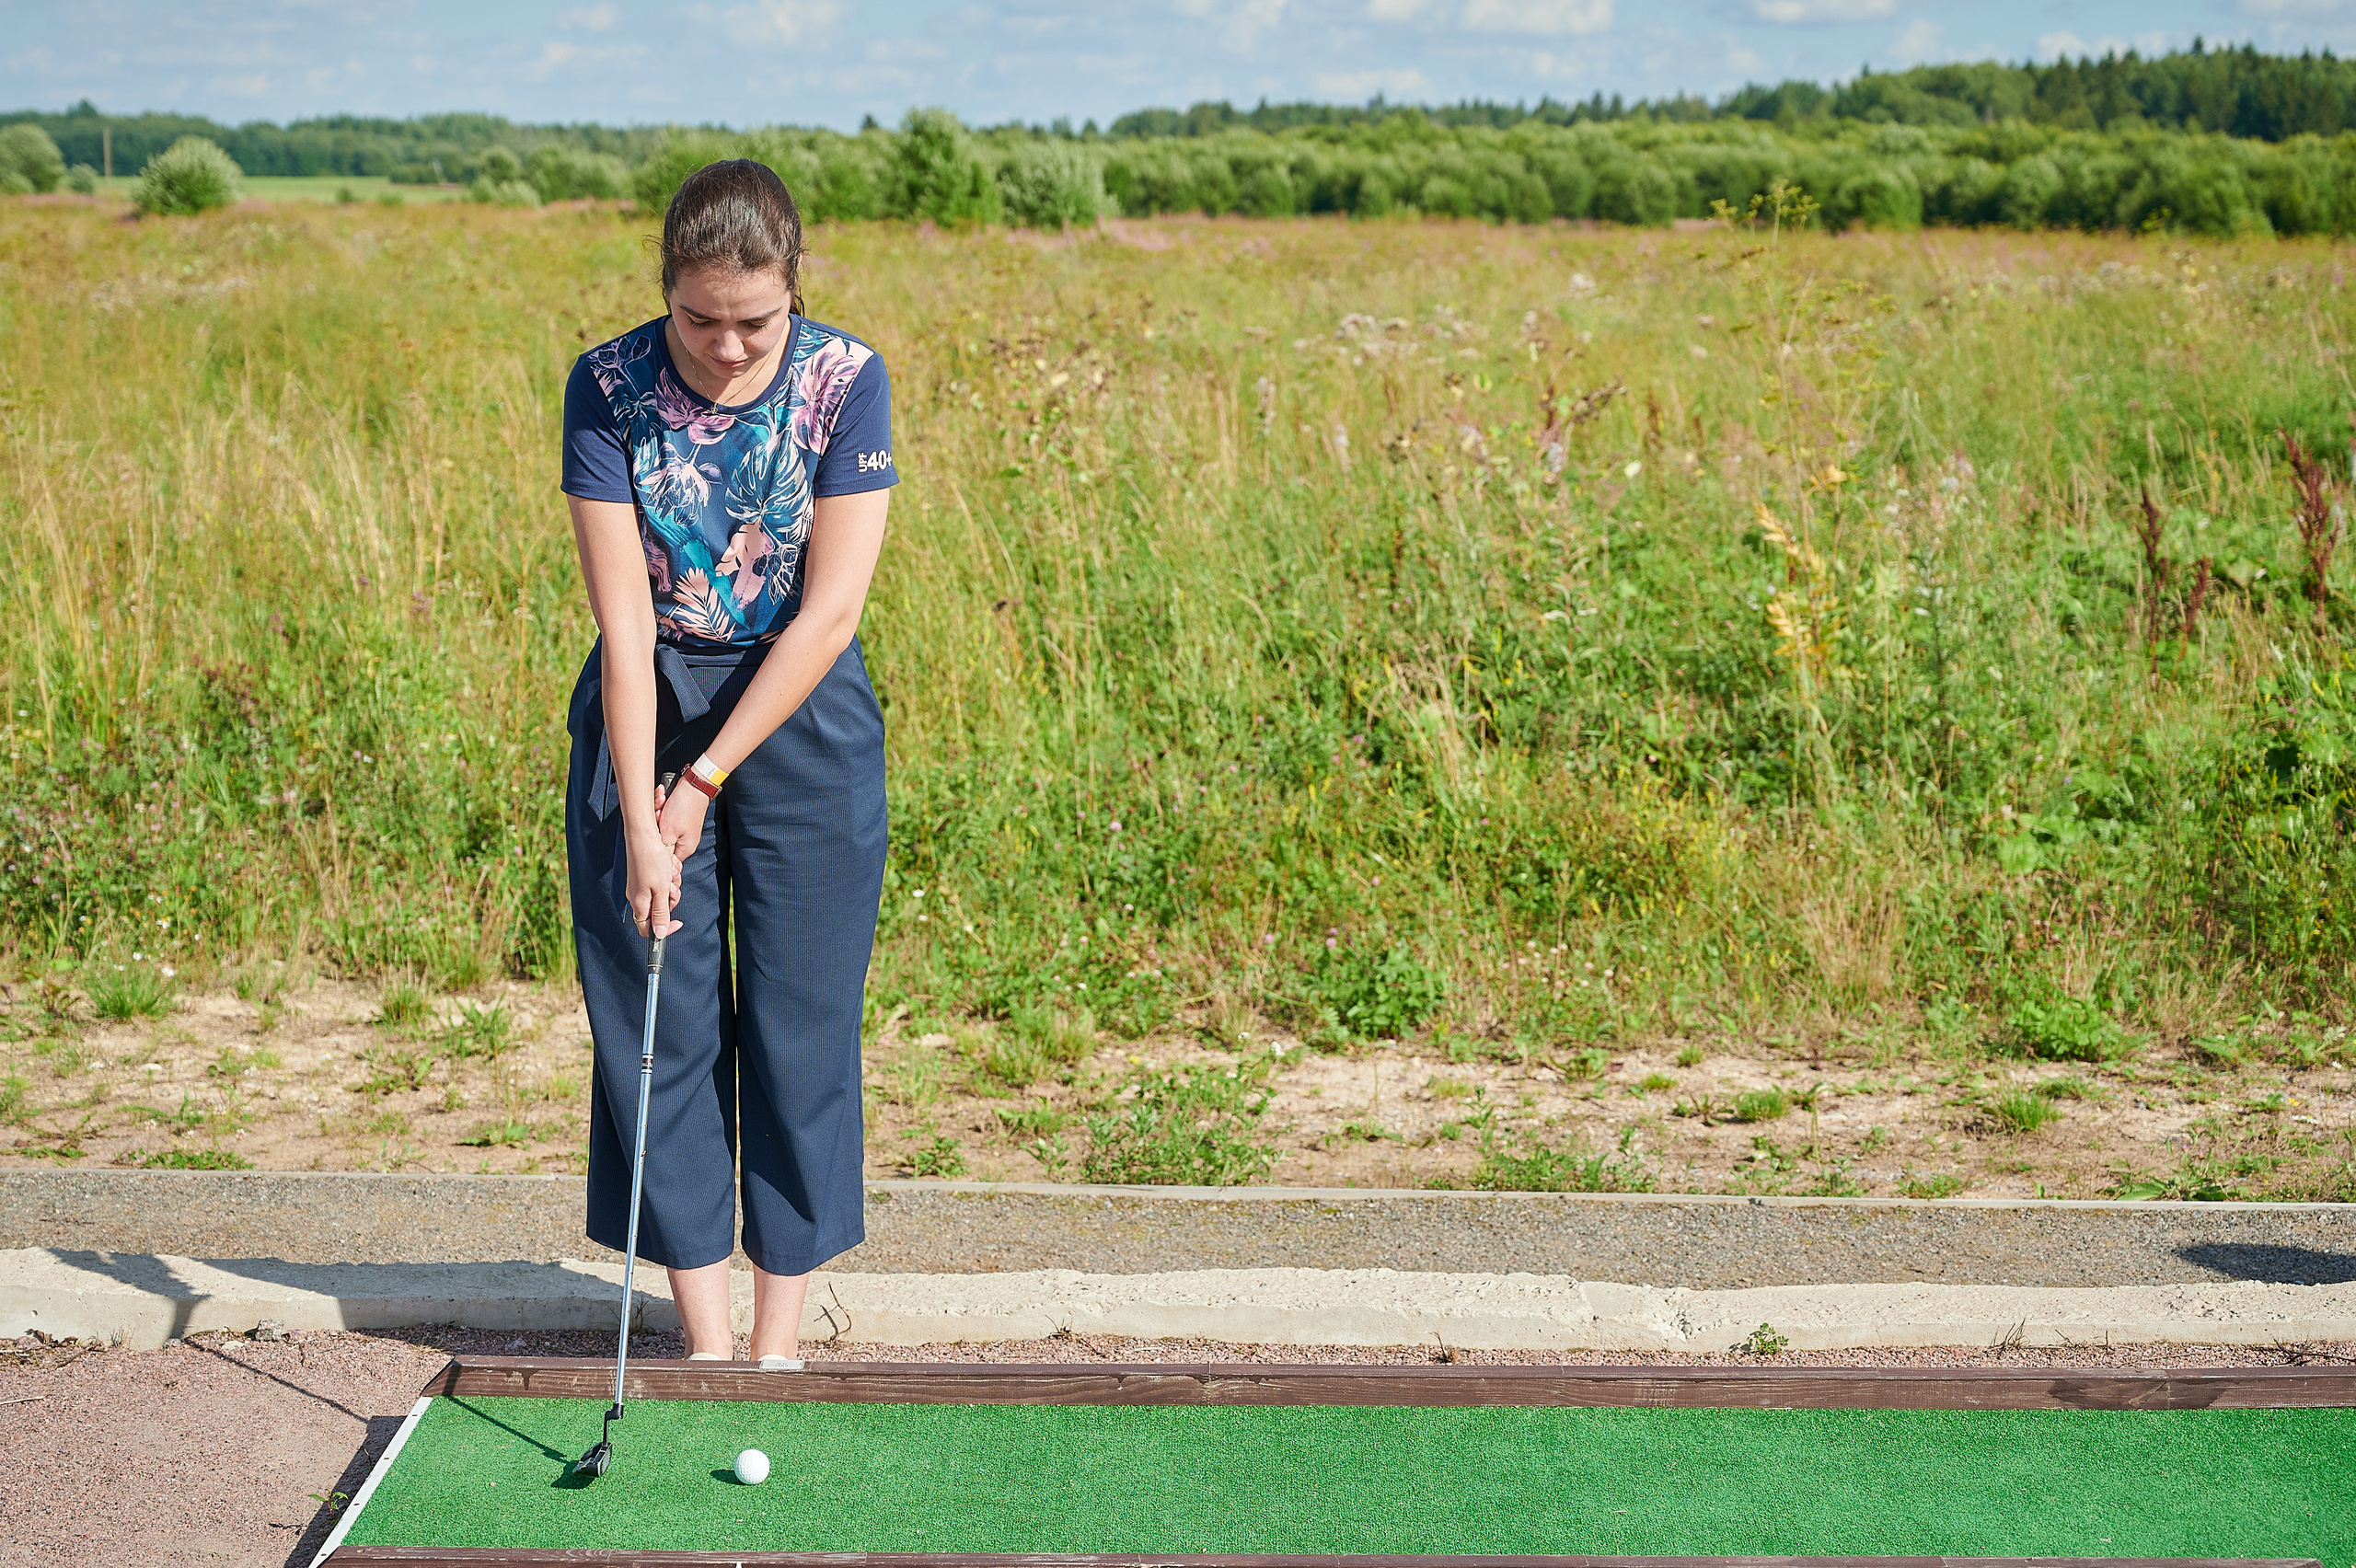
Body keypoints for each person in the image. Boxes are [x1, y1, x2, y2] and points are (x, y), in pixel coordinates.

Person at [560, 158, 895, 1365]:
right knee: (660, 1020)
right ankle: (707, 1351)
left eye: (756, 321)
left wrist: (702, 784)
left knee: (804, 1025)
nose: (729, 347)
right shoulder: (607, 385)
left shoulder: (846, 380)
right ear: (667, 290)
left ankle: (776, 1350)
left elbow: (830, 615)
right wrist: (644, 816)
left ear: (795, 285)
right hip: (648, 700)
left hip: (802, 708)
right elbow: (625, 625)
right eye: (699, 319)